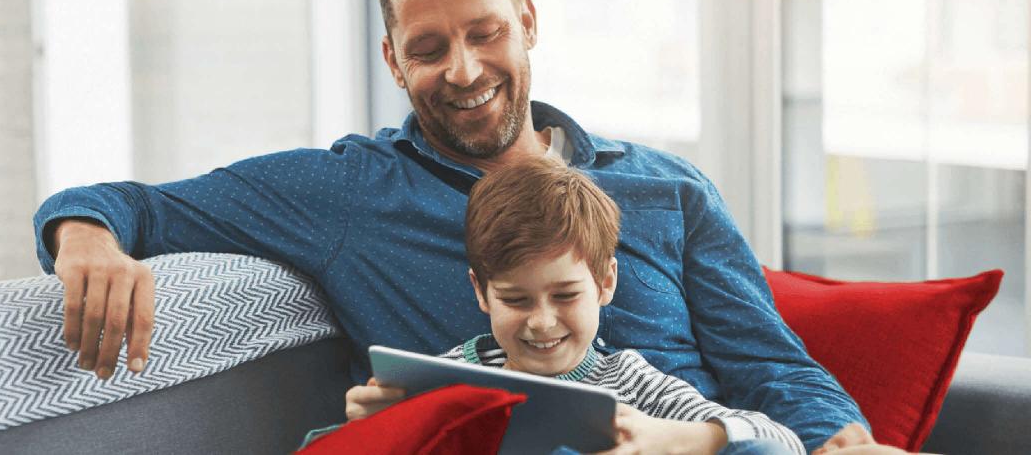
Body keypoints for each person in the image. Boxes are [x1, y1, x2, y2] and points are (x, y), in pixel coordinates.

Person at [32, 0, 867, 448]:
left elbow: (772, 368)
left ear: (527, 21)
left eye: (485, 33)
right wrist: (87, 240)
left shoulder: (667, 190)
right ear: (395, 64)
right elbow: (119, 203)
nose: (464, 71)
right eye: (429, 49)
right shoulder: (346, 195)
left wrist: (843, 443)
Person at [327, 157, 805, 454]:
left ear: (605, 283)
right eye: (515, 299)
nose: (541, 321)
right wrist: (371, 432)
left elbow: (784, 444)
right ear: (481, 292)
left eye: (565, 295)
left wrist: (687, 440)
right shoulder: (446, 377)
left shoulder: (632, 385)